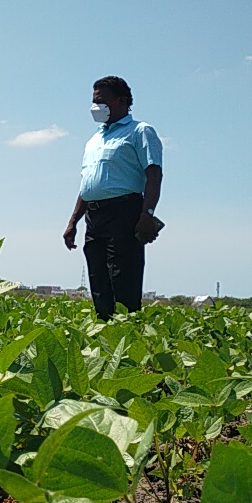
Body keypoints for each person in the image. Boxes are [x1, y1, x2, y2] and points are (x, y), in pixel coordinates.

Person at [63, 76, 163, 320]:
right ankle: (104, 331)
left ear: (122, 101)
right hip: (94, 217)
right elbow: (88, 184)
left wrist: (147, 214)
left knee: (123, 279)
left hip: (125, 212)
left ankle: (127, 340)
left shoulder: (140, 131)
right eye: (94, 102)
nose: (95, 107)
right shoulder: (94, 140)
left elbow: (154, 174)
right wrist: (73, 222)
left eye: (101, 101)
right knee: (98, 280)